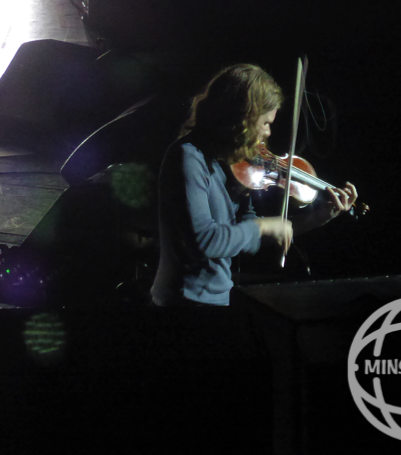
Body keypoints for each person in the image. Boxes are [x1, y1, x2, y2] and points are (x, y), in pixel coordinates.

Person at [150, 64, 358, 307]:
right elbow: (205, 241)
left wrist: (317, 218)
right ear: (242, 117)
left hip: (218, 299)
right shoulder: (188, 157)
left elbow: (245, 234)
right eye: (266, 123)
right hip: (184, 304)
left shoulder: (231, 162)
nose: (268, 133)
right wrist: (262, 226)